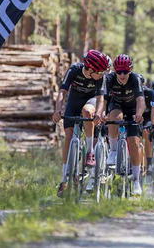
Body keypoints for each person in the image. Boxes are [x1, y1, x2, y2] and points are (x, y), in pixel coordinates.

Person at [53, 50, 109, 198]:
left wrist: (98, 113)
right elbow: (62, 92)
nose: (102, 74)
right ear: (90, 69)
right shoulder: (74, 70)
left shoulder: (99, 78)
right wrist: (58, 110)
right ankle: (64, 179)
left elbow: (100, 98)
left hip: (90, 102)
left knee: (87, 112)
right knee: (68, 139)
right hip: (73, 102)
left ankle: (90, 152)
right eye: (100, 71)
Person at [99, 54, 145, 196]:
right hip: (116, 105)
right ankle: (113, 151)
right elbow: (104, 100)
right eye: (119, 71)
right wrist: (101, 113)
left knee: (134, 143)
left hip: (132, 109)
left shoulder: (135, 78)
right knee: (115, 116)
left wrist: (139, 114)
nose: (122, 74)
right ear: (115, 71)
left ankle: (136, 180)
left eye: (125, 71)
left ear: (130, 70)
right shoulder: (109, 79)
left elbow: (140, 100)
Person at [139, 74, 154, 175]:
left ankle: (149, 163)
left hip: (148, 117)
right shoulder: (132, 92)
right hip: (137, 117)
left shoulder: (149, 92)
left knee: (146, 132)